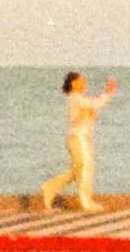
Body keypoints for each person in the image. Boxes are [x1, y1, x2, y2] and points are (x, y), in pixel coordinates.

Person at [37, 71, 117, 212]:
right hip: (78, 138)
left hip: (76, 138)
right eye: (81, 81)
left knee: (77, 171)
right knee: (85, 167)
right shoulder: (75, 98)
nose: (84, 83)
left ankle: (49, 188)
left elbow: (88, 111)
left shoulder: (77, 99)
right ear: (73, 83)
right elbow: (94, 104)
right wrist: (108, 93)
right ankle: (86, 203)